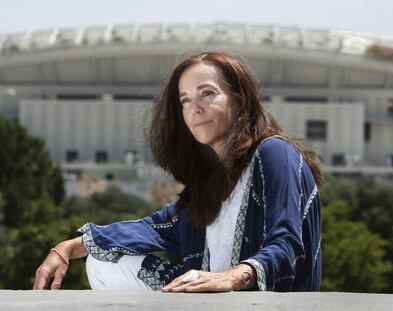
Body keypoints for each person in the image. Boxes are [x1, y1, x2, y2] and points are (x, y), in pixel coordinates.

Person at [33, 51, 323, 292]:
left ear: (238, 99)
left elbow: (286, 244)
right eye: (185, 100)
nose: (194, 108)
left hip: (263, 302)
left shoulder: (273, 154)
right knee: (102, 261)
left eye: (207, 93)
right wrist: (68, 247)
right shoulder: (209, 182)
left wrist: (232, 276)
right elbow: (155, 227)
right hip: (211, 298)